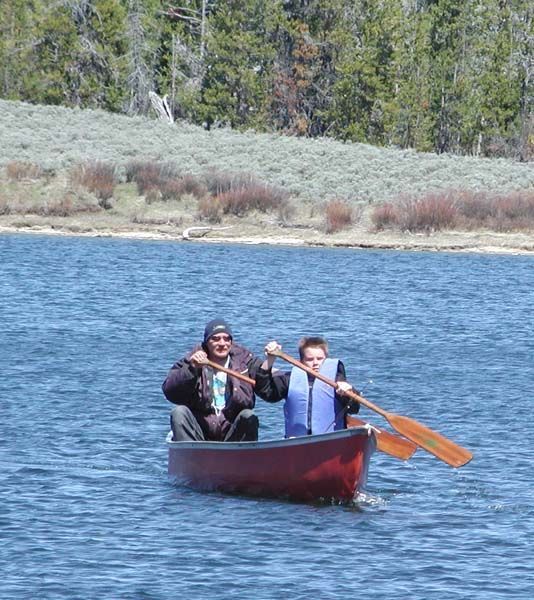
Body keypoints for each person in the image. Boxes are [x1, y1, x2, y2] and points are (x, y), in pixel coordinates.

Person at [162, 318, 262, 442]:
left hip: (231, 432)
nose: (222, 343)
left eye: (227, 339)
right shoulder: (191, 360)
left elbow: (268, 386)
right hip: (200, 434)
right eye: (216, 339)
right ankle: (192, 456)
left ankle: (245, 456)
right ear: (207, 342)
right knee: (179, 412)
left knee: (248, 415)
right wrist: (192, 369)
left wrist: (270, 361)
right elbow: (170, 390)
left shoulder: (244, 362)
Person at [255, 336, 360, 438]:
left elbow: (354, 408)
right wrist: (269, 360)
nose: (315, 363)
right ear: (301, 361)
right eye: (310, 359)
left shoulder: (337, 381)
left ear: (326, 359)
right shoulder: (290, 379)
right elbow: (267, 392)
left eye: (320, 359)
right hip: (297, 441)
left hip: (331, 440)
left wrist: (348, 393)